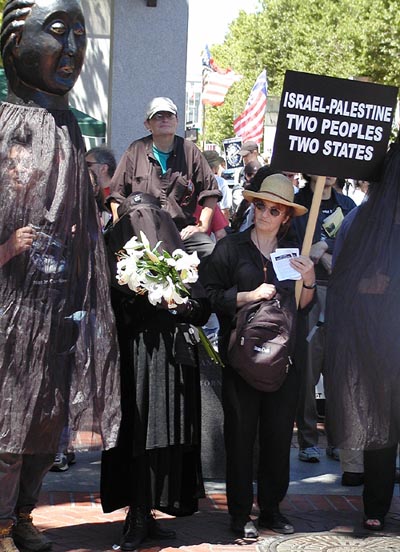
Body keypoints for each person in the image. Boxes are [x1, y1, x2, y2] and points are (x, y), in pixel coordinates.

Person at [0, 2, 120, 551]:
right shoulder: (4, 128)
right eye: (56, 32)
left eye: (79, 33)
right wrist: (6, 249)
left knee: (45, 426)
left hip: (55, 310)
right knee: (7, 427)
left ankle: (22, 515)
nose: (72, 48)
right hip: (8, 309)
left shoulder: (70, 128)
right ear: (14, 41)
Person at [205, 174, 316, 538]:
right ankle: (239, 514)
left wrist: (310, 278)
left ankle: (271, 509)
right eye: (260, 206)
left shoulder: (292, 252)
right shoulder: (232, 248)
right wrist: (247, 296)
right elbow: (206, 294)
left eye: (274, 209)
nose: (265, 213)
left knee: (278, 435)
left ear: (286, 216)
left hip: (285, 361)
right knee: (240, 437)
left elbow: (302, 305)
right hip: (242, 360)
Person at [100, 193, 211, 550]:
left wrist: (178, 300)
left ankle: (148, 513)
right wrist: (137, 292)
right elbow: (109, 309)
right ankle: (135, 515)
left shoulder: (178, 259)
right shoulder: (113, 258)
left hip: (170, 362)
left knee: (161, 440)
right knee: (136, 439)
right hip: (132, 363)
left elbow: (201, 308)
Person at [324, 138, 400, 531]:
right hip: (378, 340)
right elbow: (344, 277)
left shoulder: (362, 217)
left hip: (379, 340)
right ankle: (375, 505)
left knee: (384, 425)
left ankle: (376, 506)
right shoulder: (364, 220)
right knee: (382, 426)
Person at [107, 97, 221, 267]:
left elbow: (210, 192)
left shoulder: (190, 151)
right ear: (147, 124)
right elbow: (117, 195)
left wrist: (202, 227)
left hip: (181, 232)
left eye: (169, 115)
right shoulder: (135, 150)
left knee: (212, 253)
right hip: (141, 232)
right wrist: (120, 226)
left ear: (177, 121)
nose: (165, 119)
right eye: (158, 116)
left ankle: (206, 294)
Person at [292, 175, 356, 463]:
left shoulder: (348, 204)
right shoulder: (299, 204)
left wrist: (325, 248)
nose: (329, 173)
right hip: (310, 294)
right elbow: (293, 245)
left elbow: (357, 242)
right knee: (307, 369)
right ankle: (308, 440)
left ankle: (337, 438)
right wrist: (314, 254)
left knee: (339, 370)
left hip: (343, 294)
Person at [85, 146, 116, 229]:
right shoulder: (87, 193)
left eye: (88, 164)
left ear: (103, 168)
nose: (84, 168)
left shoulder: (119, 193)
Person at [203, 150, 232, 222]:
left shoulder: (193, 180)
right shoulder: (221, 182)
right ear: (215, 167)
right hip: (216, 226)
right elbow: (225, 211)